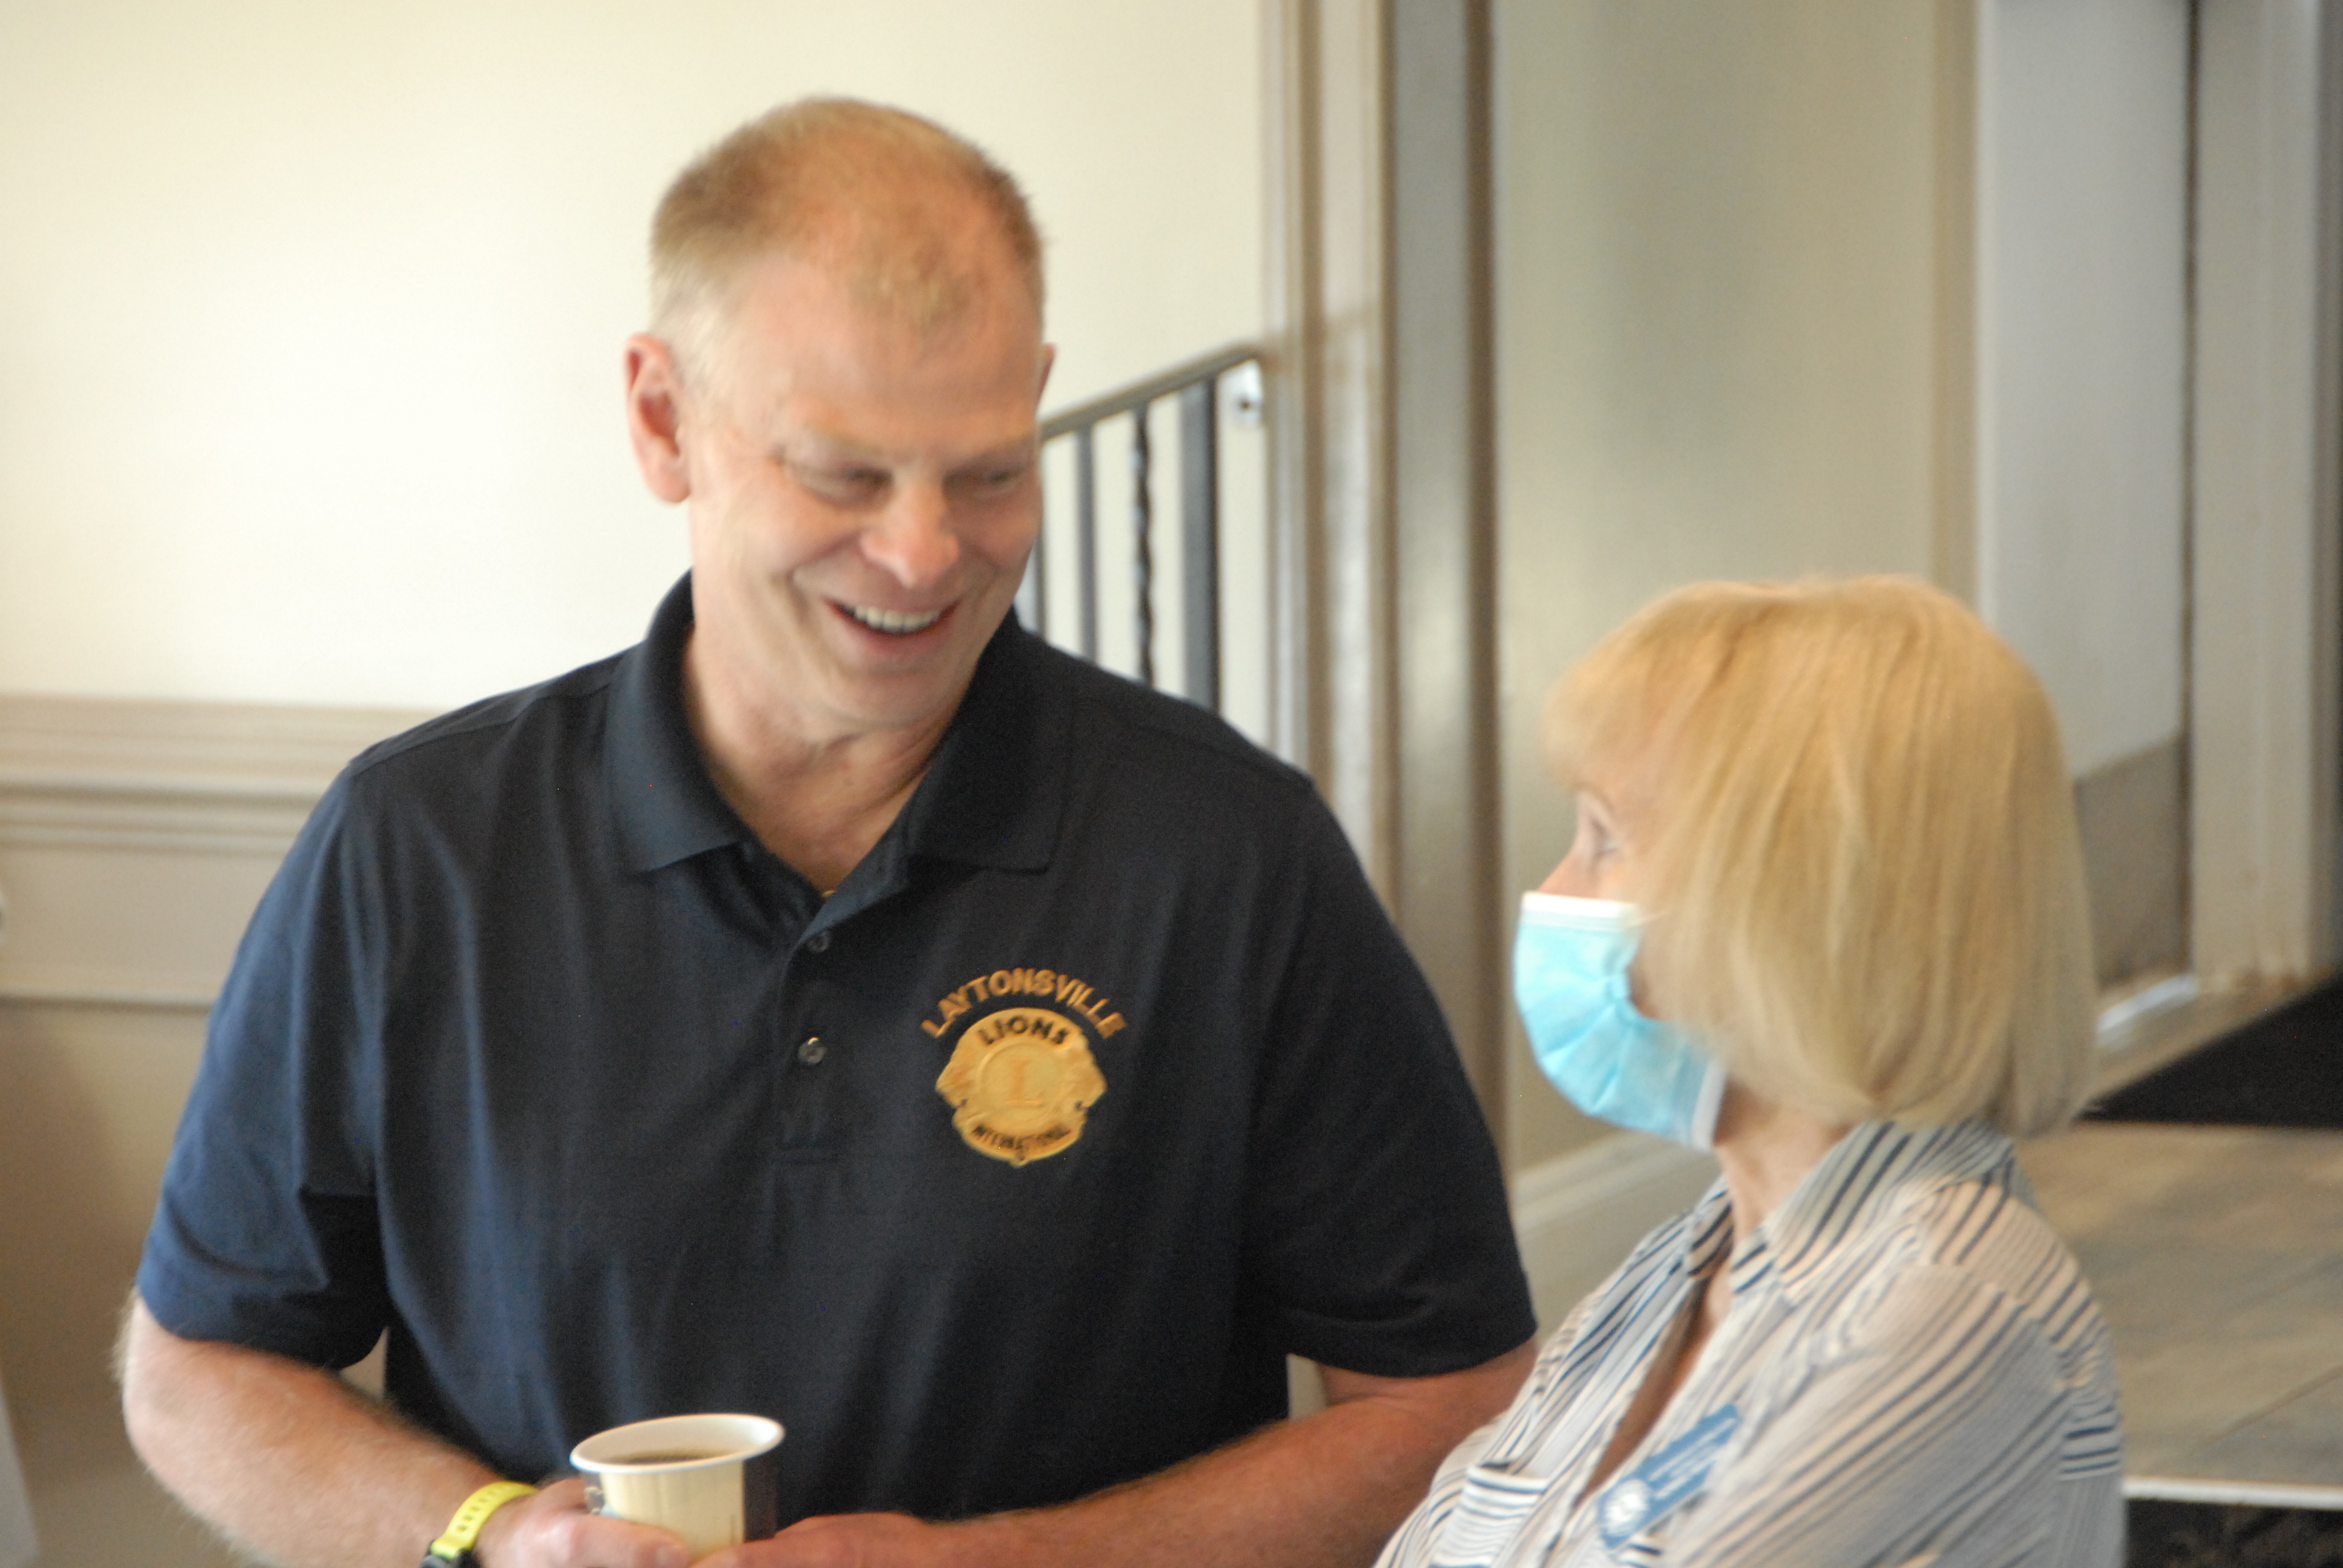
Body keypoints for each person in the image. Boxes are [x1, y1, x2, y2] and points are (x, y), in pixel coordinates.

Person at [120, 99, 1535, 1568]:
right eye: (841, 475)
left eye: (989, 472)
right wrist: (487, 1538)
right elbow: (199, 1370)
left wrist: (996, 1566)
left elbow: (1455, 1403)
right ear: (661, 418)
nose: (924, 554)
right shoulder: (419, 849)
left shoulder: (1229, 855)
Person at [1376, 577, 2123, 1567]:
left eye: (1605, 841)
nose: (1554, 890)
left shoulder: (1954, 1305)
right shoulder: (1676, 1271)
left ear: (1792, 904)